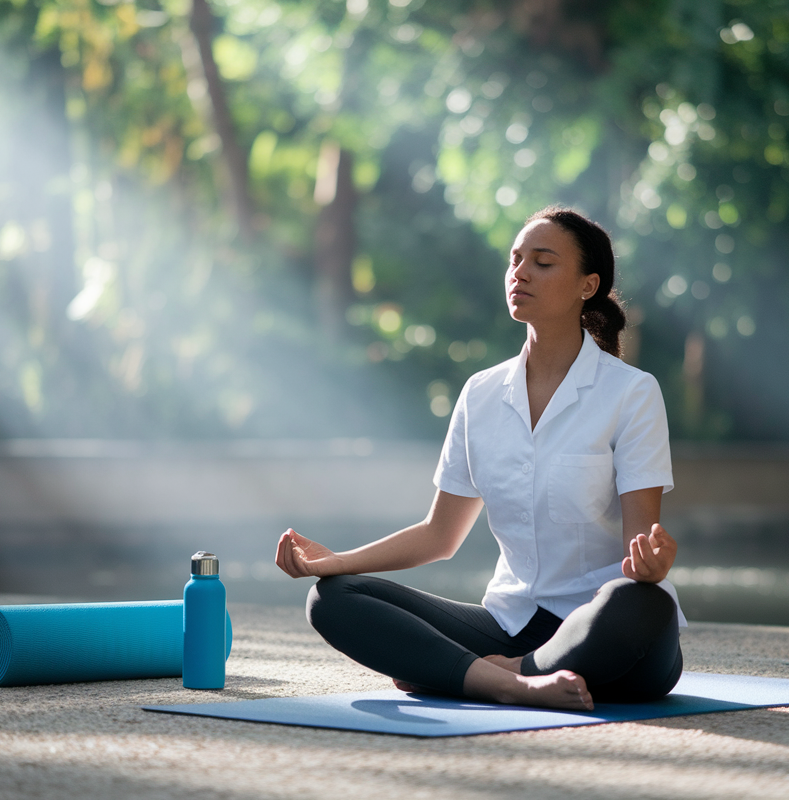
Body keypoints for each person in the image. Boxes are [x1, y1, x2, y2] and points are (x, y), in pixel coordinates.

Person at [275, 206, 683, 711]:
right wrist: (336, 562)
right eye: (515, 260)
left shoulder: (632, 392)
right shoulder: (480, 393)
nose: (521, 272)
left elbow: (637, 553)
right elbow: (439, 536)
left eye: (543, 262)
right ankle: (513, 683)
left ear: (587, 284)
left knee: (639, 603)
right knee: (332, 599)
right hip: (508, 624)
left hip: (605, 634)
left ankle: (489, 674)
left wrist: (652, 564)